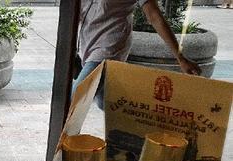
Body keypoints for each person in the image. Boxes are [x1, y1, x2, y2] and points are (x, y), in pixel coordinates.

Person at [73, 0, 201, 109]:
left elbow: (154, 16)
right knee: (107, 103)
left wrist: (180, 57)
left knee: (75, 98)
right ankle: (139, 128)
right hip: (87, 43)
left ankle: (61, 138)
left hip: (110, 45)